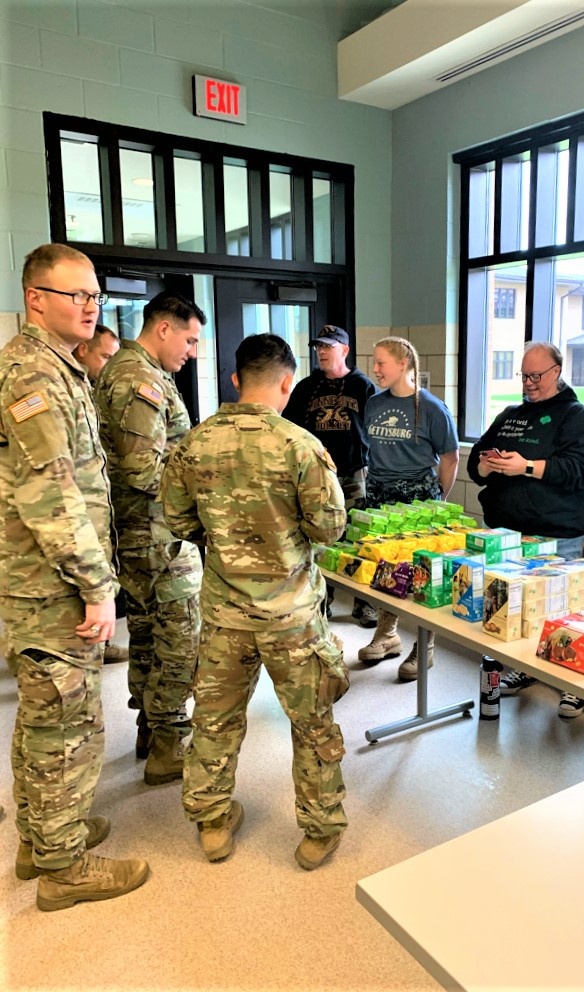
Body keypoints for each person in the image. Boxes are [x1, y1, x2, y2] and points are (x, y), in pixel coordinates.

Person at [159, 333, 348, 870]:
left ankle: (213, 823)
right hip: (292, 617)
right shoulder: (300, 445)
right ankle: (318, 831)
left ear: (237, 380)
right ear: (287, 382)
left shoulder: (193, 444)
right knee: (312, 724)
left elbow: (177, 520)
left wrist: (225, 542)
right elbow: (330, 527)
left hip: (223, 614)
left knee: (214, 721)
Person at [0, 243, 149, 911]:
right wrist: (97, 586)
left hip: (45, 580)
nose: (90, 306)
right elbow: (51, 496)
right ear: (36, 298)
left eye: (95, 295)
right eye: (75, 295)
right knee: (67, 720)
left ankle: (42, 838)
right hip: (53, 586)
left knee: (43, 714)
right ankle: (64, 869)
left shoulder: (60, 370)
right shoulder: (32, 377)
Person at [94, 292, 205, 785]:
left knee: (148, 634)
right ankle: (167, 742)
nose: (192, 351)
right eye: (189, 338)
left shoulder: (128, 370)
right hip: (158, 534)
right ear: (164, 328)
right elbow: (143, 469)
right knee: (180, 639)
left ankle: (148, 726)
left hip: (142, 534)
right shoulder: (140, 380)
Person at [467, 341, 584, 718]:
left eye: (536, 376)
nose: (529, 383)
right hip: (509, 536)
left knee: (563, 613)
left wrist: (526, 467)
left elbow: (583, 472)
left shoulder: (576, 416)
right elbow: (476, 460)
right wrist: (487, 466)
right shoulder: (511, 414)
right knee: (514, 613)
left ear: (557, 372)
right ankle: (524, 668)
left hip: (556, 534)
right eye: (524, 376)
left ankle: (572, 684)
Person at [357, 336, 459, 681]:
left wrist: (438, 500)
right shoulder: (373, 403)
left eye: (381, 363)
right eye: (375, 362)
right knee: (385, 567)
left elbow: (450, 457)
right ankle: (387, 633)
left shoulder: (431, 407)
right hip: (380, 497)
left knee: (421, 575)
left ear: (403, 364)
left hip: (418, 499)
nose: (375, 369)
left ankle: (425, 645)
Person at [283, 324, 378, 627]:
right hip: (316, 476)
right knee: (320, 538)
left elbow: (374, 432)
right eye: (318, 347)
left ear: (344, 350)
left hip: (353, 474)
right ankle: (323, 600)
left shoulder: (363, 386)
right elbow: (290, 428)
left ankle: (364, 603)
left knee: (357, 539)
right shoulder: (306, 387)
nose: (321, 352)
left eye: (328, 347)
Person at [72, 323, 129, 666]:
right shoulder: (62, 386)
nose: (110, 364)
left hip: (95, 507)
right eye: (105, 356)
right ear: (83, 350)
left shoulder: (90, 387)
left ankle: (102, 646)